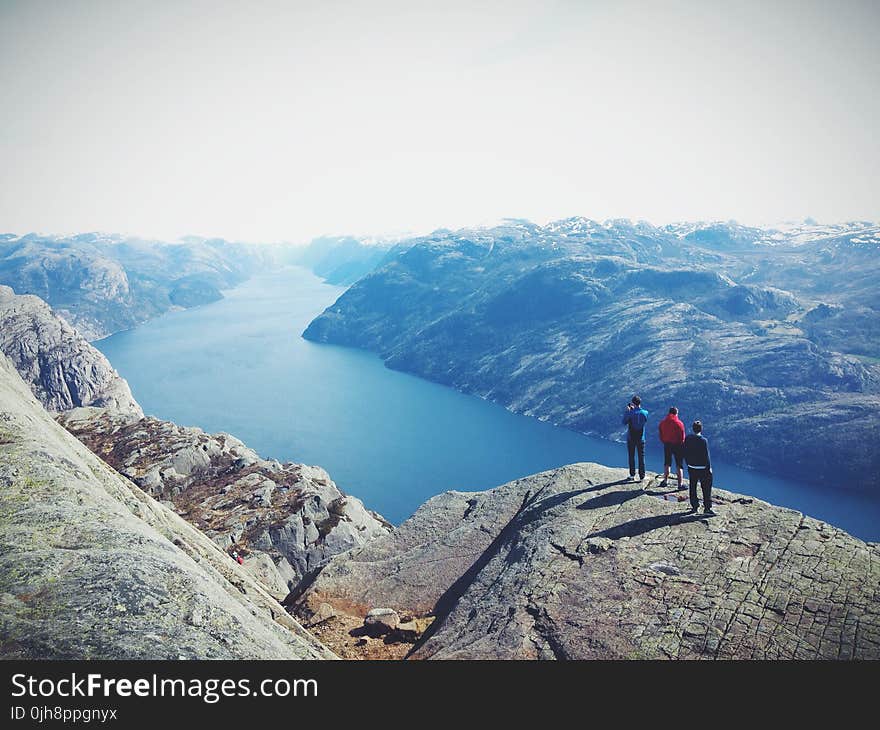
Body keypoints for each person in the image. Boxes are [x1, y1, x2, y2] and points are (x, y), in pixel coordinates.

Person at [683, 420, 714, 515]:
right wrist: (709, 468)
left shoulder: (688, 438)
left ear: (693, 429)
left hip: (692, 467)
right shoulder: (703, 441)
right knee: (706, 487)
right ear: (701, 429)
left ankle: (694, 506)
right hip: (703, 468)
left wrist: (688, 463)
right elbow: (706, 456)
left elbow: (685, 451)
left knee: (693, 486)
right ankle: (707, 508)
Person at [622, 395, 649, 482]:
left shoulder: (630, 413)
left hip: (631, 438)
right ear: (640, 403)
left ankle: (632, 475)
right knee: (641, 457)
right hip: (641, 438)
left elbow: (624, 422)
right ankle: (642, 476)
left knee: (631, 456)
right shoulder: (645, 412)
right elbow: (645, 420)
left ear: (633, 403)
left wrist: (628, 411)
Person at [658, 406, 686, 489]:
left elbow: (661, 435)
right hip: (677, 445)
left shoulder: (663, 423)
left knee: (667, 463)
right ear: (676, 413)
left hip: (667, 444)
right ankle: (680, 484)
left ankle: (665, 481)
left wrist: (665, 441)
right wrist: (681, 444)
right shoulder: (679, 423)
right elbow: (682, 437)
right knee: (679, 465)